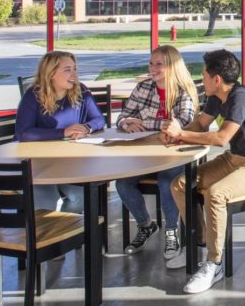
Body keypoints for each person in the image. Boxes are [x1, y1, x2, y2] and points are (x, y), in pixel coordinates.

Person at [164, 49, 245, 294]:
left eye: (204, 74)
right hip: (234, 159)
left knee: (216, 194)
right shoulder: (216, 96)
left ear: (217, 79)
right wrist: (176, 136)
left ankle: (214, 264)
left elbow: (221, 138)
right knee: (180, 184)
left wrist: (181, 135)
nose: (201, 78)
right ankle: (200, 245)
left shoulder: (240, 97)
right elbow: (201, 124)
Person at [115, 45, 199, 257]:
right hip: (144, 154)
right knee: (122, 183)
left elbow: (182, 122)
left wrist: (144, 122)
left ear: (172, 66)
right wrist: (127, 123)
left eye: (159, 64)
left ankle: (172, 231)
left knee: (166, 182)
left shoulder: (183, 90)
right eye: (151, 63)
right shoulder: (143, 88)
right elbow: (122, 116)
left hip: (174, 153)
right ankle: (145, 225)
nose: (153, 68)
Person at [14, 51, 107, 213]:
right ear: (50, 73)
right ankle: (46, 234)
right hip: (38, 165)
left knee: (82, 198)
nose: (74, 74)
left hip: (69, 162)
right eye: (67, 69)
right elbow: (23, 133)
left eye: (75, 69)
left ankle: (67, 234)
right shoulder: (33, 95)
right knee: (49, 202)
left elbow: (99, 120)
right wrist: (63, 132)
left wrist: (86, 128)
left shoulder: (81, 91)